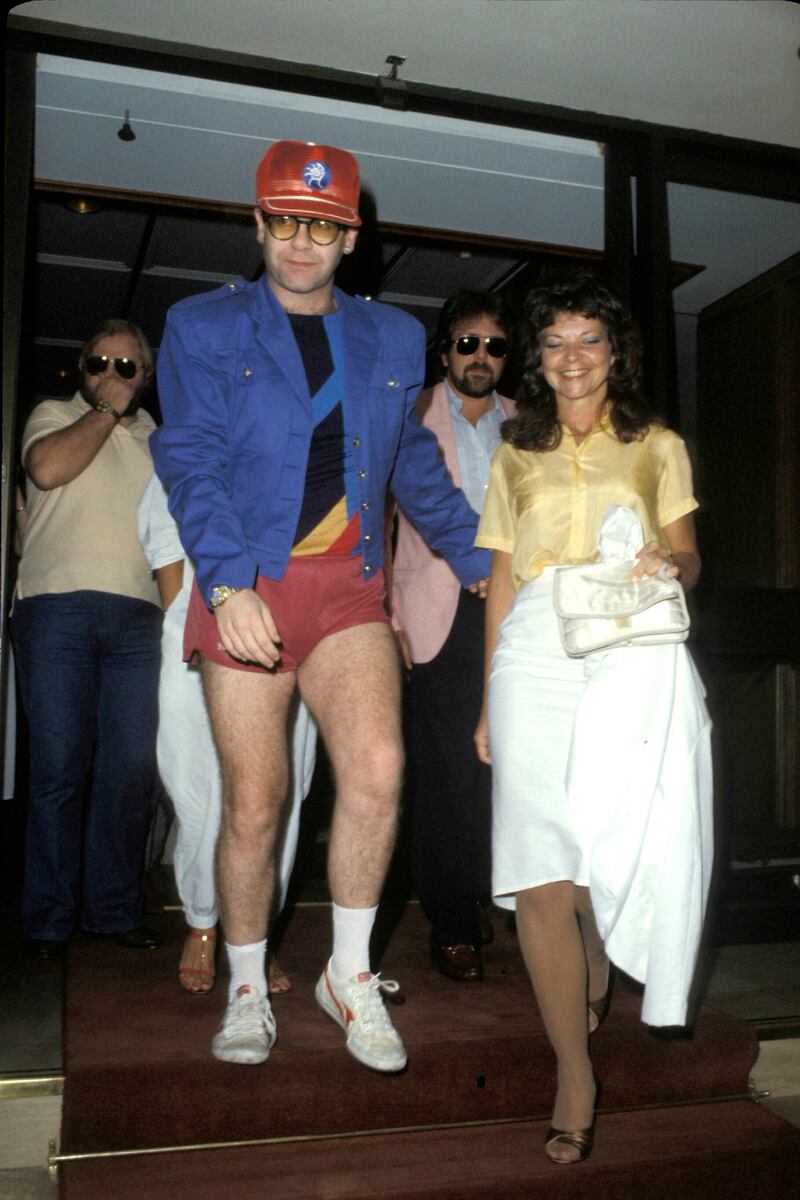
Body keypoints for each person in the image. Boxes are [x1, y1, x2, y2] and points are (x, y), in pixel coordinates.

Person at [151, 139, 489, 1069]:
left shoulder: (391, 337)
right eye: (285, 221)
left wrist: (475, 557)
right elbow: (190, 461)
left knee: (379, 769)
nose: (301, 241)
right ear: (259, 224)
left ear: (351, 237)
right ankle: (250, 987)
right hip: (247, 583)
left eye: (323, 225)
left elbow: (411, 462)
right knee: (256, 805)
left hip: (347, 587)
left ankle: (348, 977)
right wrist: (224, 583)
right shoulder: (201, 326)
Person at [474, 274, 712, 1164]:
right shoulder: (512, 453)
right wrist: (487, 698)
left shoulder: (657, 445)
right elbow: (500, 580)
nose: (572, 358)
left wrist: (665, 564)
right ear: (537, 360)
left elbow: (690, 561)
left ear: (616, 354)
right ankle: (574, 1072)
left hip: (629, 639)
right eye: (555, 343)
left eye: (590, 341)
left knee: (593, 856)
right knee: (540, 866)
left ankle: (599, 947)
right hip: (534, 646)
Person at [13, 319, 164, 958]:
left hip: (140, 618)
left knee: (130, 772)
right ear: (83, 369)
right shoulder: (54, 414)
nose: (112, 373)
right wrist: (104, 412)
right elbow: (46, 471)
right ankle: (47, 920)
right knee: (58, 771)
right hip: (56, 609)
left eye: (127, 367)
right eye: (101, 362)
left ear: (145, 378)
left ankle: (112, 909)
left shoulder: (158, 438)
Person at [138, 474, 318, 994]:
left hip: (288, 630)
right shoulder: (198, 429)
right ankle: (202, 922)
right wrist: (189, 623)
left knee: (279, 794)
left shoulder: (304, 438)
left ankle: (254, 937)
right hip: (201, 623)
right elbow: (165, 540)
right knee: (199, 787)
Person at [391, 290, 515, 982]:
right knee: (446, 772)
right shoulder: (411, 414)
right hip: (437, 613)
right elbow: (381, 523)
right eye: (468, 344)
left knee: (506, 764)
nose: (481, 357)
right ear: (445, 353)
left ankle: (486, 891)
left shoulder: (529, 426)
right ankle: (450, 920)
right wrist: (393, 619)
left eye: (494, 346)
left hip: (515, 612)